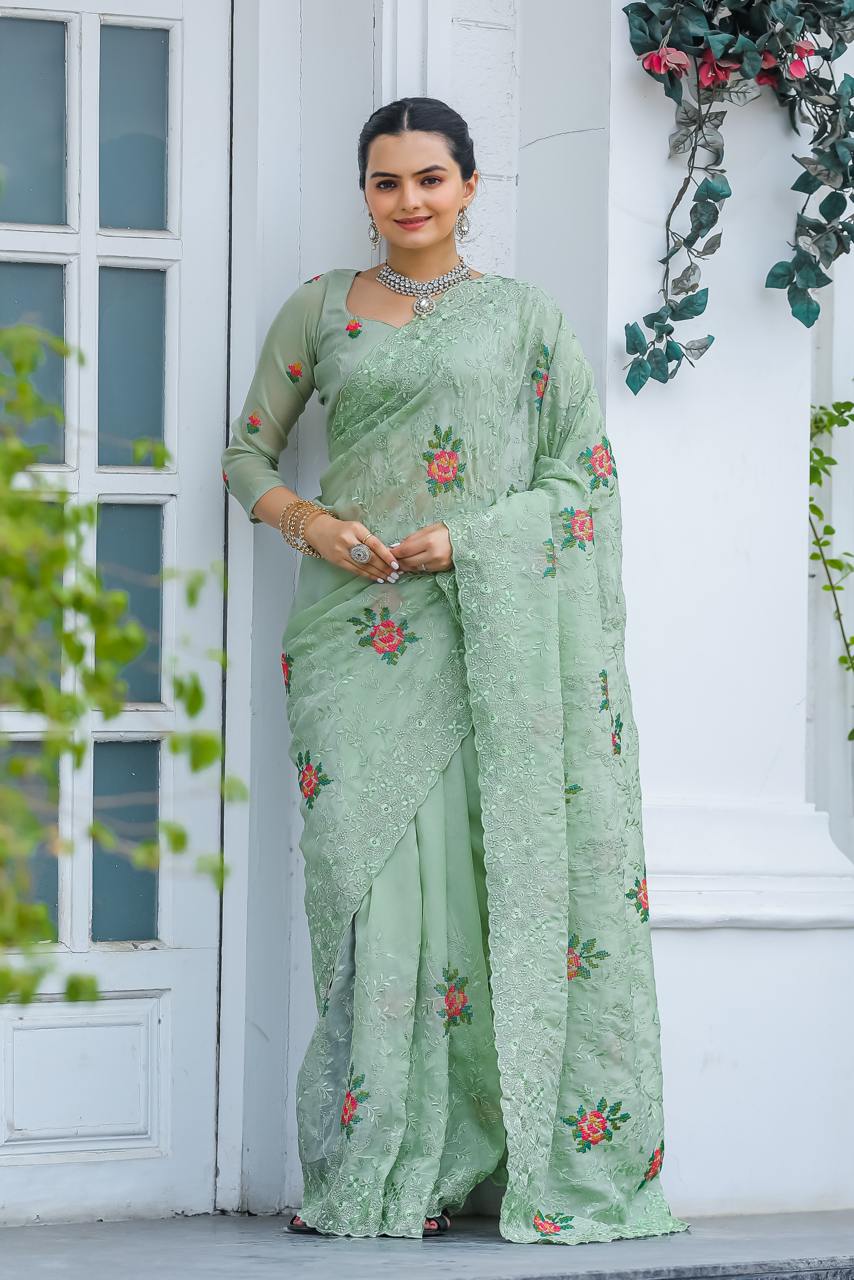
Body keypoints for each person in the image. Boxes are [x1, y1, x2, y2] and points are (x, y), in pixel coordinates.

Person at [220, 96, 691, 1247]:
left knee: (485, 881)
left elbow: (582, 479)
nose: (409, 199)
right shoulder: (321, 307)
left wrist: (470, 541)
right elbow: (246, 453)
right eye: (386, 181)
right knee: (367, 889)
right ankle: (382, 1159)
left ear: (469, 186)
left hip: (485, 631)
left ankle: (478, 1159)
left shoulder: (525, 320)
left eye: (430, 177)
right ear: (365, 193)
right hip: (352, 636)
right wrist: (306, 522)